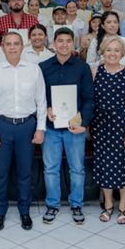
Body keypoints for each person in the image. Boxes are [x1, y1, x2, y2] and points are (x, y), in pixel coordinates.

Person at [0, 32, 47, 231]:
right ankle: (0, 212)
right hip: (1, 126)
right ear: (2, 48)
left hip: (27, 126)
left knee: (25, 173)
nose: (12, 47)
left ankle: (24, 211)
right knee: (1, 172)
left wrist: (40, 128)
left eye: (16, 44)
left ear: (22, 46)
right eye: (8, 44)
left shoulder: (34, 70)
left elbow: (41, 102)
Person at [39, 28, 95, 225]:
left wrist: (84, 124)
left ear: (73, 44)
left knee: (77, 169)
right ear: (53, 43)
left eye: (68, 41)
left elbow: (89, 99)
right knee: (50, 169)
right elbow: (38, 97)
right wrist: (45, 108)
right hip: (51, 127)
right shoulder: (43, 67)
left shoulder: (82, 68)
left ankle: (76, 204)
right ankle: (52, 205)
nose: (64, 45)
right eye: (60, 41)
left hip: (74, 128)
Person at [91, 36, 125, 225]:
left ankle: (124, 205)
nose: (112, 53)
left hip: (122, 126)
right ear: (102, 51)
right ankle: (109, 204)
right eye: (109, 50)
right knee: (104, 165)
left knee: (124, 166)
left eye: (116, 50)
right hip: (101, 126)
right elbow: (90, 100)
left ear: (122, 53)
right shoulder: (95, 71)